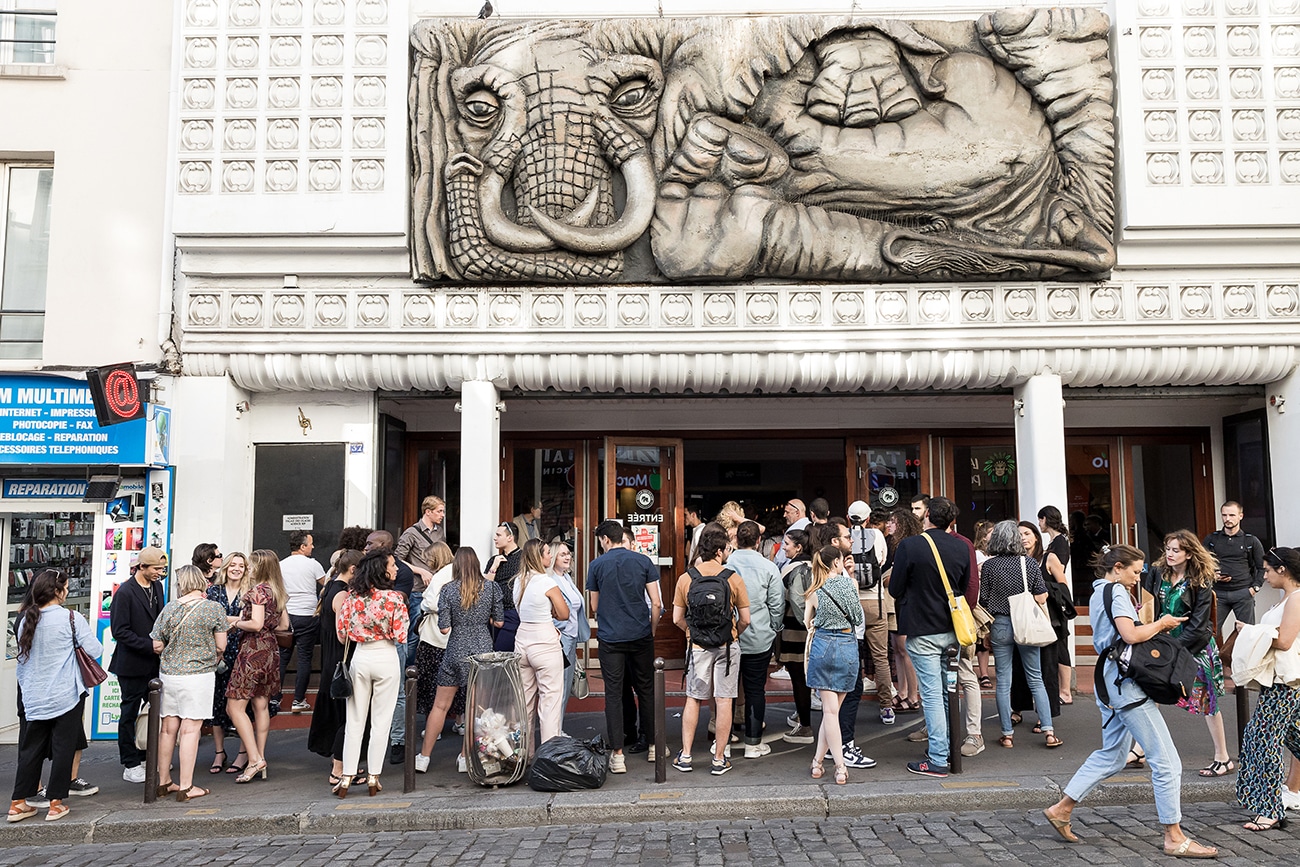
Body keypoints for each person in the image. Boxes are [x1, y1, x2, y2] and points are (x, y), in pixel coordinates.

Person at [1042, 545, 1218, 859]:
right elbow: (1130, 635)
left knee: (1112, 755)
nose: (1138, 578)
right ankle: (1174, 837)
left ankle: (1061, 808)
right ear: (1119, 567)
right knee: (1167, 762)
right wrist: (1163, 624)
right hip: (1127, 686)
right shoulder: (1117, 592)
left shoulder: (1099, 592)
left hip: (1110, 683)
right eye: (1135, 572)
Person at [8, 570, 100, 823]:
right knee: (63, 748)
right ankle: (56, 803)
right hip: (65, 693)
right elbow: (95, 649)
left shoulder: (25, 618)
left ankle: (18, 803)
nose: (68, 591)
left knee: (30, 749)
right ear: (58, 591)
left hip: (33, 694)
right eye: (66, 587)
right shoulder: (71, 617)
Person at [888, 496, 971, 778]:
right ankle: (949, 749)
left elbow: (895, 588)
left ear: (927, 518)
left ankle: (937, 758)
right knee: (949, 692)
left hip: (922, 628)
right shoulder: (962, 546)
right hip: (952, 630)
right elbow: (963, 586)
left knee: (932, 695)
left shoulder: (911, 545)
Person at [1145, 530, 1233, 778]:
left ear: (1189, 553)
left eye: (1176, 550)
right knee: (1152, 693)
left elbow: (1198, 624)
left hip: (1194, 647)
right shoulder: (1157, 573)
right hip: (1163, 644)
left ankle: (1222, 757)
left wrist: (1175, 649)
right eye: (1168, 549)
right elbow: (1149, 605)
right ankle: (1139, 749)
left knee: (1207, 701)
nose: (1170, 554)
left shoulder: (1200, 580)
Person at [415, 547, 504, 774]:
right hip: (482, 650)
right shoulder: (492, 588)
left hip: (455, 648)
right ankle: (465, 757)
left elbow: (444, 628)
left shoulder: (448, 590)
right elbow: (499, 623)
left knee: (440, 705)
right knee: (475, 707)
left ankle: (424, 757)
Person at [671, 524, 751, 775]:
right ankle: (719, 758)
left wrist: (692, 632)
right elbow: (746, 618)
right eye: (726, 548)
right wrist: (732, 632)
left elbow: (676, 618)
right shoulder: (732, 577)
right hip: (727, 647)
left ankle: (685, 756)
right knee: (724, 700)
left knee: (694, 698)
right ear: (718, 551)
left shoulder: (687, 578)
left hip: (698, 646)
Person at [587, 519, 661, 773]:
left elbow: (594, 606)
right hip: (640, 635)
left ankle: (617, 755)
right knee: (647, 689)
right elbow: (656, 603)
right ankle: (653, 745)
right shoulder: (643, 562)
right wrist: (650, 630)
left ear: (606, 540)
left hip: (610, 638)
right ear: (622, 537)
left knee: (614, 693)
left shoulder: (596, 565)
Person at [977, 521, 1059, 750]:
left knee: (1003, 681)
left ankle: (1007, 734)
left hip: (1000, 624)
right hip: (1026, 624)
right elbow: (1042, 595)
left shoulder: (990, 566)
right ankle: (1049, 732)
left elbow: (984, 600)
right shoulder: (1029, 563)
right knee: (1035, 678)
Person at [333, 548, 408, 798]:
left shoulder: (352, 598)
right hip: (385, 656)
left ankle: (346, 776)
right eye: (393, 565)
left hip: (361, 656)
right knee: (381, 721)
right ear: (382, 570)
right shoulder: (395, 599)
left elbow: (342, 635)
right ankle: (374, 775)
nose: (396, 569)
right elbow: (401, 636)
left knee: (354, 719)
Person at [150, 564, 229, 802]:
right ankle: (186, 786)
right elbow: (222, 646)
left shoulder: (170, 608)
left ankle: (163, 781)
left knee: (167, 729)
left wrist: (172, 652)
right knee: (190, 729)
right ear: (201, 582)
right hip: (198, 675)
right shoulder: (213, 608)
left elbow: (156, 644)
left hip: (169, 675)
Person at [1235, 546, 1300, 831]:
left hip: (1285, 682)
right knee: (1290, 736)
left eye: (1268, 570)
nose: (1265, 575)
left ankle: (1270, 810)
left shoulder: (1296, 599)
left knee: (1262, 738)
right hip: (1280, 679)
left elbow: (1285, 640)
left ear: (1283, 570)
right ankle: (1269, 805)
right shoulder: (1287, 599)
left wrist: (1248, 632)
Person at [225, 549, 290, 784]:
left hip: (253, 649)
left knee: (234, 707)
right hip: (270, 649)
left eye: (251, 565)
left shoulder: (257, 591)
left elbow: (256, 623)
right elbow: (283, 625)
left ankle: (253, 759)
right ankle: (260, 756)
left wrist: (236, 623)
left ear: (259, 567)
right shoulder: (277, 591)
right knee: (261, 705)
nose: (248, 569)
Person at [803, 544, 865, 784]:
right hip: (847, 645)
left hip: (823, 646)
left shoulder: (814, 589)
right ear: (837, 563)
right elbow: (858, 618)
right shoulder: (850, 585)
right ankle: (838, 766)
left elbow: (807, 621)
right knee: (833, 712)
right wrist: (849, 577)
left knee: (830, 713)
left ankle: (819, 762)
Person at [108, 546, 167, 784]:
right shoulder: (124, 592)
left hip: (154, 663)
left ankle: (145, 757)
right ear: (141, 566)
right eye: (156, 569)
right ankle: (130, 762)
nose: (159, 574)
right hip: (131, 664)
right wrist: (148, 645)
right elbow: (119, 631)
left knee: (151, 713)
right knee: (129, 714)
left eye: (162, 569)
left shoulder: (158, 587)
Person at [727, 520, 784, 758]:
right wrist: (774, 628)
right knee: (755, 690)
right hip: (759, 636)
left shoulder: (726, 565)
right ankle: (753, 743)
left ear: (737, 540)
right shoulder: (769, 567)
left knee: (727, 691)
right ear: (759, 541)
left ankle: (725, 742)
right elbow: (777, 604)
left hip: (729, 637)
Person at [827, 517, 881, 764]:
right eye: (847, 537)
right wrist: (851, 580)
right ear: (835, 541)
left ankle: (832, 746)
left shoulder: (837, 570)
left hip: (846, 637)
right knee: (849, 691)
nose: (852, 540)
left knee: (840, 695)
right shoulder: (831, 573)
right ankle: (844, 746)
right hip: (844, 638)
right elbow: (852, 612)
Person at [308, 548, 363, 789]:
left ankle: (343, 763)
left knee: (342, 712)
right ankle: (338, 769)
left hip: (331, 658)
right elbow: (343, 635)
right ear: (353, 570)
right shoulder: (341, 594)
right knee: (345, 715)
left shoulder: (330, 586)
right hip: (340, 658)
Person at [512, 538, 570, 751]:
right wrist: (552, 611)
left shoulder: (518, 581)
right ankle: (548, 756)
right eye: (547, 553)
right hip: (544, 642)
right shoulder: (547, 583)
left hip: (522, 641)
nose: (550, 556)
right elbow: (564, 614)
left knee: (525, 702)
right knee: (550, 702)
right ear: (540, 557)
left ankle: (523, 755)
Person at [365, 530, 415, 764]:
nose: (365, 546)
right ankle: (368, 741)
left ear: (383, 545)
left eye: (370, 543)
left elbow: (400, 605)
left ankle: (397, 741)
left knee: (398, 693)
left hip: (393, 641)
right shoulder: (364, 568)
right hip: (368, 642)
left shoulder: (402, 572)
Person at [1012, 520, 1061, 724]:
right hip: (1021, 619)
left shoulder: (1048, 558)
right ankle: (1017, 708)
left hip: (1043, 618)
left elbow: (1063, 587)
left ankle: (1045, 714)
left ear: (1036, 536)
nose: (1023, 537)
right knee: (1018, 666)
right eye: (1019, 534)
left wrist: (1039, 591)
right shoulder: (1014, 561)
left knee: (1046, 668)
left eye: (1027, 533)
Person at [413, 541, 458, 744]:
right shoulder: (457, 572)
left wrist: (423, 603)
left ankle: (434, 728)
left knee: (434, 683)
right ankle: (460, 721)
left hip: (436, 637)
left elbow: (431, 603)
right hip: (453, 636)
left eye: (428, 558)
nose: (426, 561)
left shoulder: (441, 575)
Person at [279, 531, 326, 714]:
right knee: (305, 658)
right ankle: (298, 699)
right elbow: (326, 585)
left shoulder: (280, 565)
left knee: (283, 657)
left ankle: (275, 698)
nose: (312, 547)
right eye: (310, 544)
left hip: (287, 615)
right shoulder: (313, 564)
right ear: (302, 546)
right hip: (308, 615)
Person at [777, 529, 815, 744]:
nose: (784, 547)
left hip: (794, 630)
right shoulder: (817, 566)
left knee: (799, 678)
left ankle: (805, 725)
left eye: (787, 544)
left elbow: (789, 600)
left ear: (798, 547)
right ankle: (805, 717)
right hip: (813, 630)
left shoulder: (791, 569)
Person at [1204, 501, 1266, 630]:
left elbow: (1263, 567)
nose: (1227, 519)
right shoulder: (1211, 539)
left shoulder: (1251, 540)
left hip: (1243, 592)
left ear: (1240, 516)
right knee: (1209, 632)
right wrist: (1212, 575)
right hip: (1218, 592)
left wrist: (1255, 588)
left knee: (1246, 633)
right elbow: (1202, 564)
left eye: (1232, 515)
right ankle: (1214, 652)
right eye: (1224, 515)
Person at [885, 509, 923, 714]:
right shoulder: (892, 544)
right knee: (897, 648)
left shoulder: (908, 546)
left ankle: (913, 695)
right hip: (897, 602)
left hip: (905, 601)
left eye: (893, 522)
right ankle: (902, 691)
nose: (889, 525)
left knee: (904, 648)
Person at [1038, 506, 1075, 705]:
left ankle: (1065, 691)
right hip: (1052, 599)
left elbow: (1059, 573)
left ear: (1045, 519)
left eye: (1039, 520)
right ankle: (1063, 690)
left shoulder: (1059, 543)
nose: (1039, 525)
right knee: (1059, 643)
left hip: (1056, 601)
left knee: (1061, 643)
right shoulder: (1056, 541)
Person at [547, 540, 588, 720]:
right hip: (560, 638)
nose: (567, 557)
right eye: (562, 554)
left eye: (568, 554)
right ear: (553, 557)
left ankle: (558, 728)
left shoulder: (566, 578)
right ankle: (554, 731)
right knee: (558, 686)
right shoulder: (549, 580)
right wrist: (561, 630)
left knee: (564, 685)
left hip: (570, 638)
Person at [488, 521, 523, 652]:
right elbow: (485, 586)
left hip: (513, 612)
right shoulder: (494, 560)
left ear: (510, 537)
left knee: (502, 652)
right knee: (492, 653)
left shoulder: (524, 558)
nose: (494, 538)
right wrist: (494, 567)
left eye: (498, 535)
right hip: (493, 615)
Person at [396, 495, 446, 564]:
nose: (442, 515)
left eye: (443, 511)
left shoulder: (440, 531)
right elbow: (398, 559)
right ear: (428, 512)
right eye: (439, 511)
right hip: (419, 574)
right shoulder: (411, 533)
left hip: (437, 574)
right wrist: (420, 571)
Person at [774, 499, 809, 568]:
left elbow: (780, 559)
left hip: (790, 569)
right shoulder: (811, 526)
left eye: (787, 512)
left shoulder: (792, 530)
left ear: (797, 513)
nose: (784, 515)